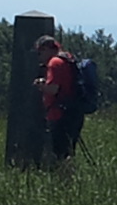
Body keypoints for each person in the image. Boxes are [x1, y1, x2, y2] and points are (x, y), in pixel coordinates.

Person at [37, 33, 87, 167]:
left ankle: (64, 178)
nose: (39, 56)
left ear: (46, 49)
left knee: (60, 154)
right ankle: (69, 176)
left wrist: (40, 86)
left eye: (40, 52)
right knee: (68, 151)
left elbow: (53, 89)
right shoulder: (68, 59)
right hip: (73, 112)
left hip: (60, 115)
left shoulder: (54, 63)